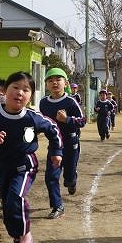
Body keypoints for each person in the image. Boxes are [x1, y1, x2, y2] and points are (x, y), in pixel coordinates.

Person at [0, 71, 62, 243]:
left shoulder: (32, 117)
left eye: (26, 90)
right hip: (2, 168)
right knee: (8, 208)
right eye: (15, 87)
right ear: (5, 91)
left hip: (25, 165)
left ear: (31, 96)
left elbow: (53, 128)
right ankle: (17, 238)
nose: (20, 93)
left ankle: (26, 239)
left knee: (15, 197)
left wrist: (56, 152)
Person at [39, 68, 86, 218]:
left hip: (71, 144)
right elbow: (42, 122)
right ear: (46, 84)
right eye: (50, 80)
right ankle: (57, 206)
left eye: (58, 80)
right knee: (51, 176)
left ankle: (72, 181)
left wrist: (67, 119)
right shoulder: (43, 103)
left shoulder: (70, 102)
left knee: (68, 178)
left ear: (65, 83)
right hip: (55, 145)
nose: (54, 83)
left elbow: (82, 121)